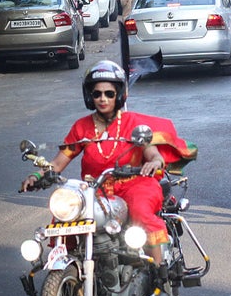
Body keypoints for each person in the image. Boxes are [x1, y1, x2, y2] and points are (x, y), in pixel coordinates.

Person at [20, 61, 198, 266]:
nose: (102, 99)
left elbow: (154, 155)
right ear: (90, 96)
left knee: (141, 210)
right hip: (95, 190)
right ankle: (67, 268)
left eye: (109, 93)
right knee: (65, 214)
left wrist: (155, 163)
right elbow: (58, 162)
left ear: (119, 95)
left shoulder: (134, 125)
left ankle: (160, 274)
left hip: (135, 184)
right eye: (97, 94)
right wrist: (38, 176)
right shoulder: (81, 127)